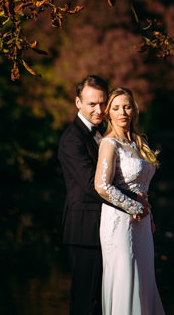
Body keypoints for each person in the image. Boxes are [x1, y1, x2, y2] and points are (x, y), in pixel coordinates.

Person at [95, 86, 166, 315]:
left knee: (144, 280)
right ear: (108, 113)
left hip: (142, 224)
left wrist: (149, 215)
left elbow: (143, 188)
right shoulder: (109, 143)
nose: (122, 112)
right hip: (119, 222)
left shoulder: (137, 142)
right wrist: (133, 207)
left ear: (133, 109)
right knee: (126, 279)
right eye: (115, 108)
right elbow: (101, 186)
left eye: (126, 106)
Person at [58, 75, 109, 315]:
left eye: (102, 103)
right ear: (78, 103)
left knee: (101, 301)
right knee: (84, 302)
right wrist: (131, 201)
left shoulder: (103, 133)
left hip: (105, 227)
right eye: (92, 104)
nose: (99, 110)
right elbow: (91, 184)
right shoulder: (72, 139)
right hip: (84, 229)